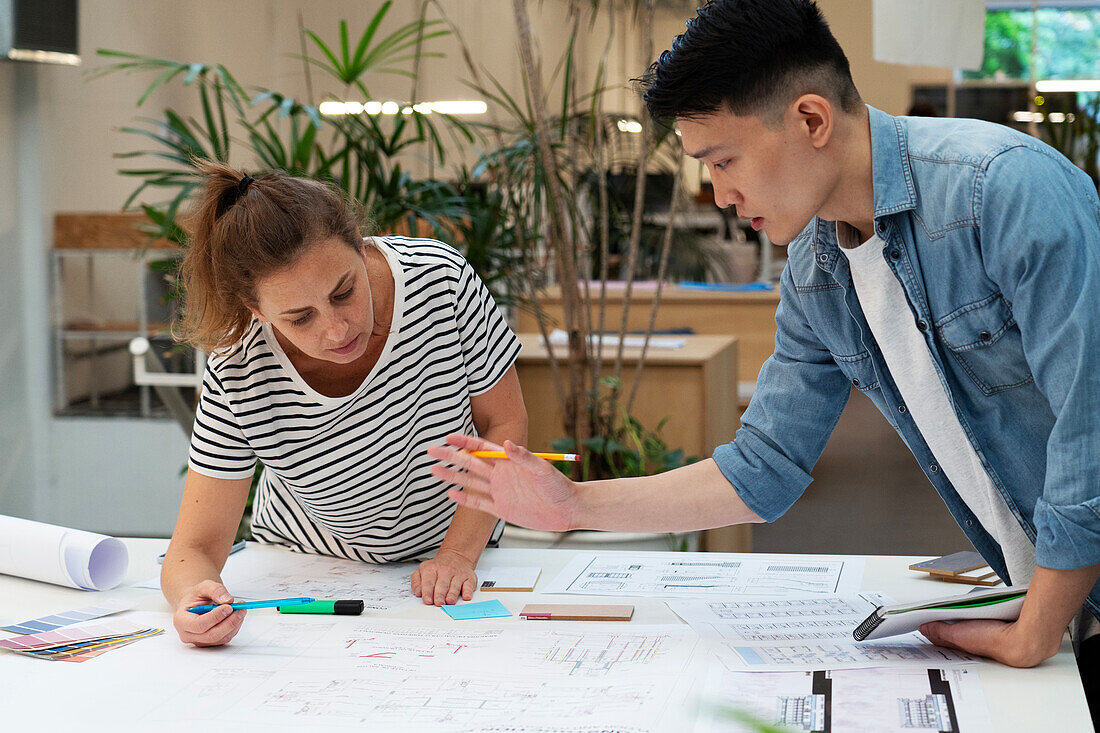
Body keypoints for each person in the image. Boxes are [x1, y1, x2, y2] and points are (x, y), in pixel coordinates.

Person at [429, 0, 1100, 722]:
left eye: (724, 160)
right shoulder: (817, 268)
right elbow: (763, 469)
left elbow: (1089, 426)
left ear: (811, 120)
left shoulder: (1002, 190)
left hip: (1056, 612)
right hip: (1063, 610)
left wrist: (1036, 629)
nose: (718, 193)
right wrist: (571, 506)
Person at [163, 161, 526, 646]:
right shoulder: (238, 365)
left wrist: (457, 555)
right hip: (304, 570)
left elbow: (503, 422)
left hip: (461, 551)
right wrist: (194, 599)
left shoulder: (441, 281)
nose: (336, 331)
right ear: (256, 310)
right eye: (299, 318)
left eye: (344, 292)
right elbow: (195, 546)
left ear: (359, 242)